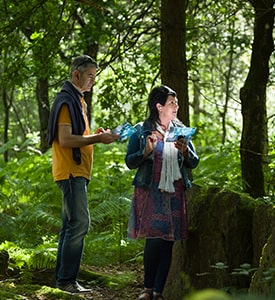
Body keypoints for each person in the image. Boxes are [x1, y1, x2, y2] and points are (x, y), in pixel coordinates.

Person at [46, 55, 120, 293]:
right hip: (70, 172)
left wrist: (94, 134)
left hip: (77, 172)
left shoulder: (78, 101)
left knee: (70, 225)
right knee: (80, 223)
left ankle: (64, 281)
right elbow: (66, 139)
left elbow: (79, 135)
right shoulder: (66, 101)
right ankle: (67, 281)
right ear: (76, 75)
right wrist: (98, 138)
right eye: (90, 76)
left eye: (94, 77)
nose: (92, 82)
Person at [125, 85, 199, 300]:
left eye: (176, 103)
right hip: (150, 191)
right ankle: (147, 290)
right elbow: (130, 161)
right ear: (159, 106)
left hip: (175, 192)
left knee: (168, 241)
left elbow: (194, 162)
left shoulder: (181, 130)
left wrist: (185, 151)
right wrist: (145, 151)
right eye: (172, 103)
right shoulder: (141, 130)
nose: (176, 106)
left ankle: (158, 292)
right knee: (154, 239)